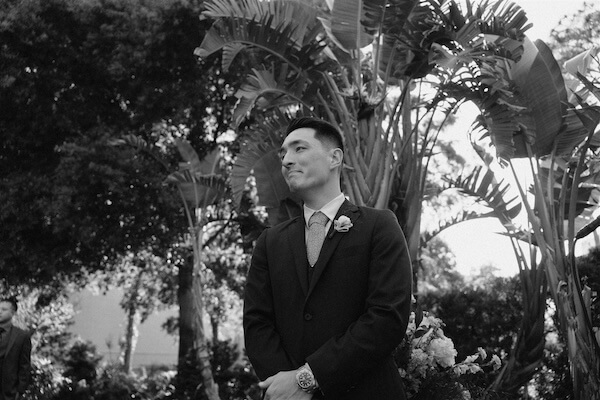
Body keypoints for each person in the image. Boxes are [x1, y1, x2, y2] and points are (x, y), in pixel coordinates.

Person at [243, 117, 413, 400]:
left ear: (334, 158)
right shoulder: (269, 242)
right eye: (283, 153)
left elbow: (387, 317)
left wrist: (307, 379)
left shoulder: (379, 226)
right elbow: (257, 323)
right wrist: (286, 386)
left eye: (299, 148)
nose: (286, 160)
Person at [0, 298, 31, 400]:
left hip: (8, 392)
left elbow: (24, 365)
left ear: (13, 313)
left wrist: (20, 390)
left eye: (4, 309)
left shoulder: (22, 336)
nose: (0, 312)